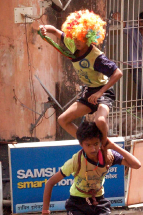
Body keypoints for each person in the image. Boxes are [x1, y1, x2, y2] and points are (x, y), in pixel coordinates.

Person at [40, 10, 122, 148]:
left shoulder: (97, 58)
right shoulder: (72, 44)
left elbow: (118, 73)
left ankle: (105, 146)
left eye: (80, 38)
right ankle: (89, 144)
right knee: (63, 120)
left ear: (89, 37)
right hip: (89, 92)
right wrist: (44, 29)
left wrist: (99, 93)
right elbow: (54, 30)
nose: (77, 42)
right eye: (75, 37)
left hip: (103, 92)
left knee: (100, 121)